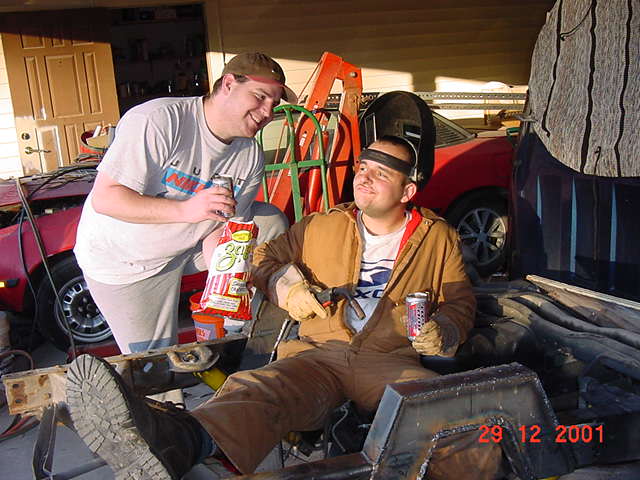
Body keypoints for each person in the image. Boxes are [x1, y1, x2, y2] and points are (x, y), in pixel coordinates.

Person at [66, 136, 479, 479]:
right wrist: (288, 289)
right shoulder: (321, 225)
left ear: (407, 192)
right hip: (320, 354)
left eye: (381, 174)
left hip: (389, 360)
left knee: (451, 416)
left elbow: (460, 302)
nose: (364, 178)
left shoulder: (437, 237)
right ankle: (177, 442)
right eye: (363, 168)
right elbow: (263, 259)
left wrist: (442, 329)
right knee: (259, 388)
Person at [73, 52, 294, 357]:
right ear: (229, 84)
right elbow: (106, 198)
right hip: (127, 261)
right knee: (153, 368)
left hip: (186, 247)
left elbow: (224, 230)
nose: (268, 111)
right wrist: (186, 209)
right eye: (260, 97)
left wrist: (229, 282)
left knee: (268, 220)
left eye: (274, 103)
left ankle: (247, 332)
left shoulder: (249, 155)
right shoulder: (159, 121)